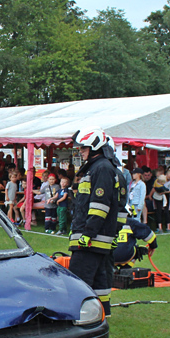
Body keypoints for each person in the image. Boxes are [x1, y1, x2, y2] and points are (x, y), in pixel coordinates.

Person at [68, 127, 120, 318]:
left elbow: (99, 206)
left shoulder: (102, 168)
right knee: (98, 282)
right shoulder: (98, 168)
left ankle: (76, 317)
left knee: (78, 281)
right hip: (94, 239)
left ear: (95, 147)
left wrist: (87, 234)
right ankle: (101, 315)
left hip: (91, 239)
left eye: (83, 148)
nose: (80, 152)